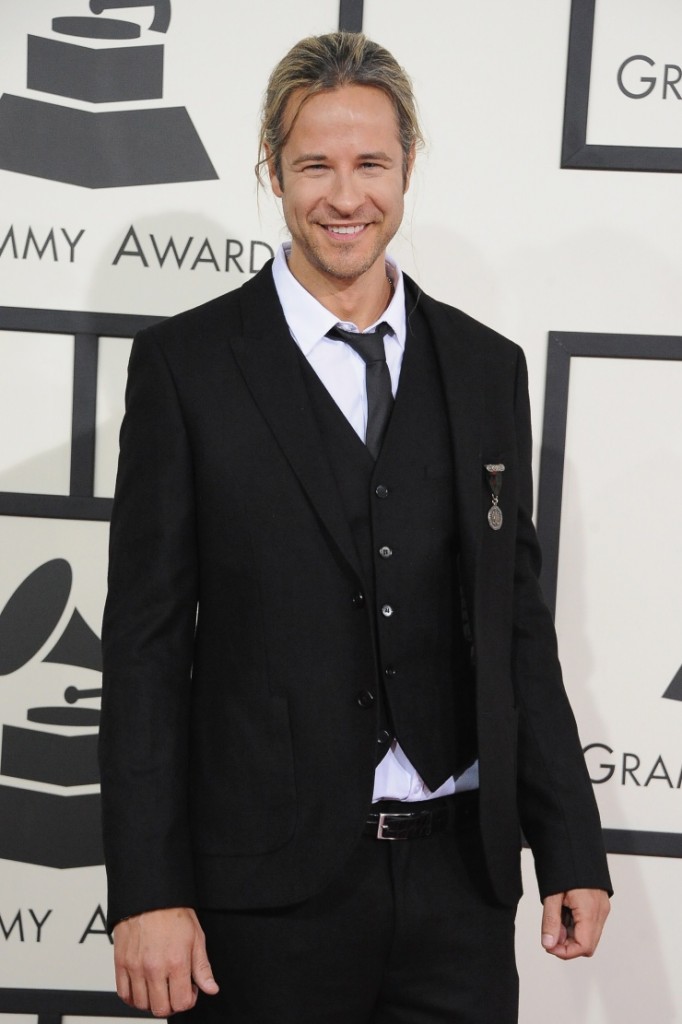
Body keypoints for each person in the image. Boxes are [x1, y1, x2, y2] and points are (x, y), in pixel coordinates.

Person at [99, 31, 611, 1024]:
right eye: (314, 166)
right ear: (273, 173)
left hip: (458, 886)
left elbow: (516, 628)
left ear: (407, 166)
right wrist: (148, 890)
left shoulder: (484, 367)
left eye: (370, 163)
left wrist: (569, 843)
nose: (345, 195)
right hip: (262, 897)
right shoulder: (187, 367)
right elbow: (147, 651)